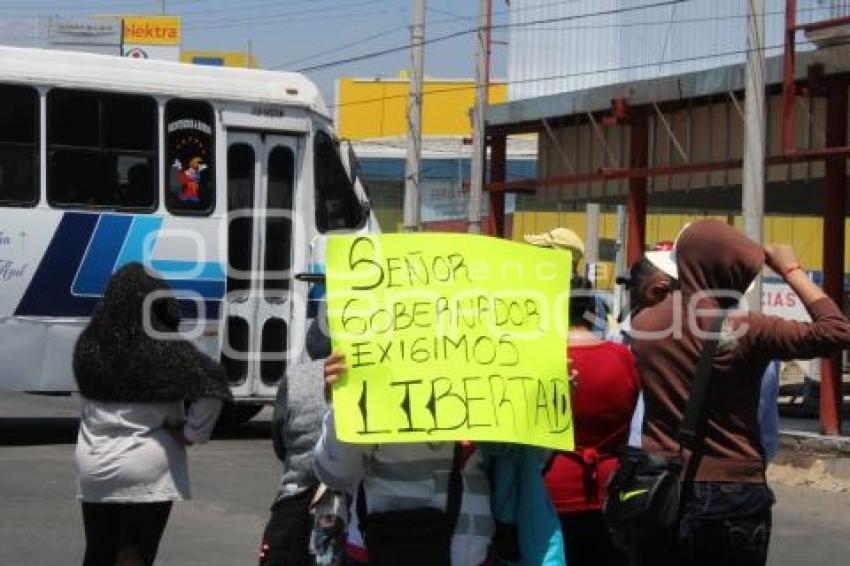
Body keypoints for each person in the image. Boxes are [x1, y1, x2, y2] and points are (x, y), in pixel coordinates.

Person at [629, 220, 850, 566]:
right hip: (735, 489)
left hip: (661, 486)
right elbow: (836, 331)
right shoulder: (750, 329)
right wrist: (790, 270)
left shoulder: (644, 325)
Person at [73, 263, 231, 566]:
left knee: (97, 551)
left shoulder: (88, 345)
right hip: (147, 462)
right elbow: (213, 386)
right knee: (135, 554)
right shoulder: (165, 348)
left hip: (93, 460)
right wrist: (192, 432)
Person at [544, 276, 639, 566]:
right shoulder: (623, 357)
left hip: (550, 488)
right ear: (592, 310)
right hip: (612, 488)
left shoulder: (542, 360)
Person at [259, 307, 345, 566]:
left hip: (295, 505)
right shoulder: (382, 378)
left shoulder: (297, 377)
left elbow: (281, 442)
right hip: (355, 513)